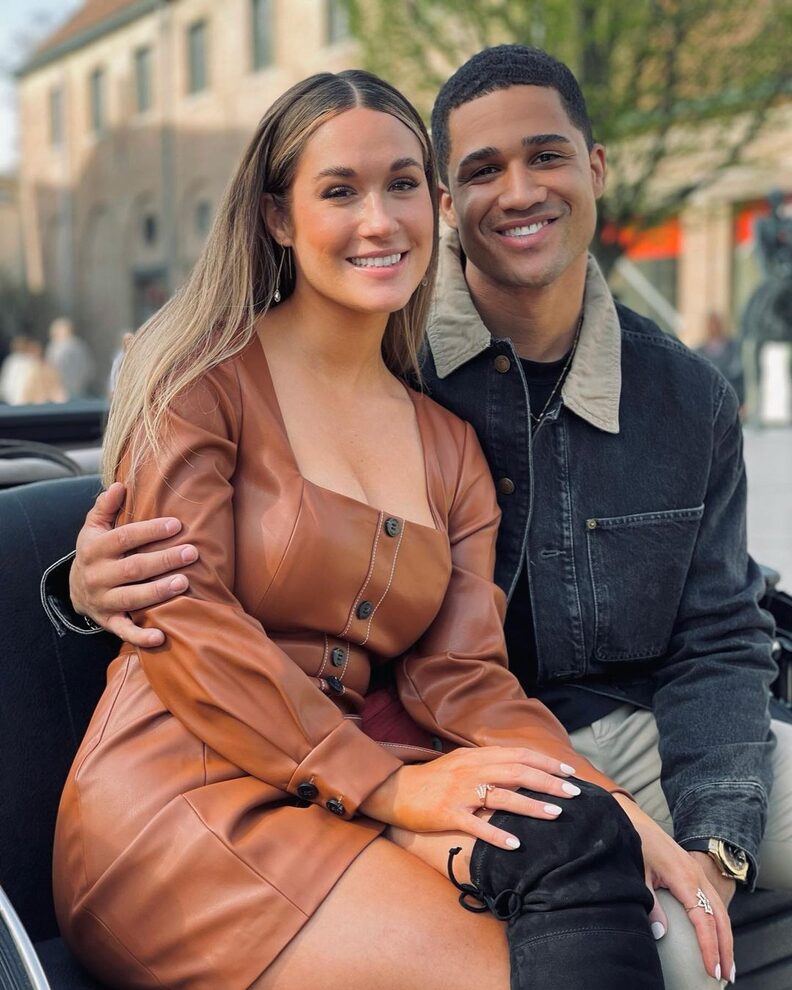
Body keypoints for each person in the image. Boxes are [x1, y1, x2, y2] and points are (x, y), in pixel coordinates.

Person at [45, 47, 776, 988]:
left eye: (399, 185)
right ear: (277, 217)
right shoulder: (201, 385)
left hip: (344, 786)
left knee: (587, 841)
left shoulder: (445, 442)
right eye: (339, 191)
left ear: (430, 205)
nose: (379, 219)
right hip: (179, 794)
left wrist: (623, 815)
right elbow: (187, 625)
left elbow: (463, 675)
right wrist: (389, 783)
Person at [696, 311, 745, 410]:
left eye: (716, 324)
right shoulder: (698, 353)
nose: (714, 328)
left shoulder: (735, 349)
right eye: (711, 324)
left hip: (734, 403)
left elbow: (742, 377)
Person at [45, 316, 95, 399]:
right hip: (78, 389)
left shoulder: (55, 347)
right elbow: (89, 369)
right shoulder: (79, 345)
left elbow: (50, 369)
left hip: (63, 390)